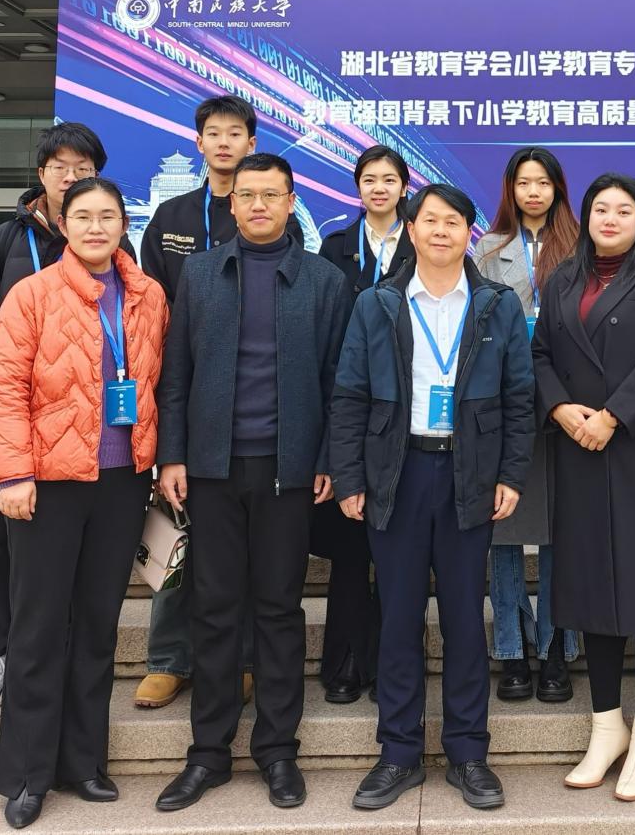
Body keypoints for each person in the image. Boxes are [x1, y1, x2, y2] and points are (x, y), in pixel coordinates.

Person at [152, 154, 349, 813]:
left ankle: (277, 750)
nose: (258, 205)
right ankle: (207, 753)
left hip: (288, 471)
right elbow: (176, 373)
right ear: (230, 203)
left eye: (271, 195)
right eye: (247, 195)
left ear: (291, 203)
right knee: (213, 610)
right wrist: (172, 456)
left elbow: (339, 382)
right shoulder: (201, 274)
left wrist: (327, 456)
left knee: (278, 609)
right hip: (211, 469)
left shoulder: (324, 280)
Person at [330, 184, 535, 812]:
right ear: (411, 229)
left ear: (468, 233)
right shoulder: (378, 303)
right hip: (398, 471)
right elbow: (349, 395)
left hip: (469, 474)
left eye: (453, 222)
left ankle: (469, 753)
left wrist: (511, 474)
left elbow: (520, 396)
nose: (441, 231)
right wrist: (350, 478)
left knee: (464, 620)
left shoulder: (496, 305)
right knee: (397, 618)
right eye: (430, 221)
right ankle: (398, 753)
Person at [0, 177, 169, 829]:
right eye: (82, 216)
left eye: (107, 216)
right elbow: (5, 389)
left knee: (96, 625)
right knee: (38, 627)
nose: (95, 227)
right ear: (63, 225)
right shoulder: (31, 294)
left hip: (122, 483)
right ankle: (27, 774)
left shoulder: (148, 296)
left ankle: (84, 762)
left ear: (124, 225)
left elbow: (159, 382)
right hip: (50, 482)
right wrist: (13, 474)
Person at [0, 122, 125, 716]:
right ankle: (1, 653)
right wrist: (8, 377)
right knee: (3, 540)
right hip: (8, 418)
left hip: (85, 430)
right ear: (42, 174)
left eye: (84, 169)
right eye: (60, 167)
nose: (71, 177)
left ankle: (64, 656)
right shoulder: (7, 240)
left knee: (74, 554)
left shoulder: (113, 246)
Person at [135, 95, 294, 710]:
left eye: (235, 133)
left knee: (245, 557)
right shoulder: (171, 215)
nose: (223, 142)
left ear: (252, 143)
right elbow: (150, 304)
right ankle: (169, 658)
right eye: (213, 133)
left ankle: (243, 660)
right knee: (178, 533)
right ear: (198, 142)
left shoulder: (269, 215)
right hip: (187, 389)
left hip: (252, 407)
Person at [532, 173, 635, 803]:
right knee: (591, 586)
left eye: (624, 210)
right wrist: (560, 407)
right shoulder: (562, 277)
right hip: (578, 450)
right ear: (587, 216)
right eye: (601, 209)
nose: (611, 218)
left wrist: (613, 415)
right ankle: (606, 728)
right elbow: (540, 353)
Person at [475, 147, 581, 704]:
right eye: (523, 183)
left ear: (558, 187)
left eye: (543, 182)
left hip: (569, 399)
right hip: (508, 396)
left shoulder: (582, 244)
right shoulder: (489, 248)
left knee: (563, 525)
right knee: (506, 526)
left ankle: (558, 644)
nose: (533, 192)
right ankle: (513, 647)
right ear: (510, 190)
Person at [314, 145, 417, 704]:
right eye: (369, 179)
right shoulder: (335, 246)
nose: (379, 188)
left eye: (389, 179)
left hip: (407, 409)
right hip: (350, 401)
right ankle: (346, 663)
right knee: (352, 553)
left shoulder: (422, 243)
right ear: (357, 188)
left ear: (404, 187)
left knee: (400, 558)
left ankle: (390, 668)